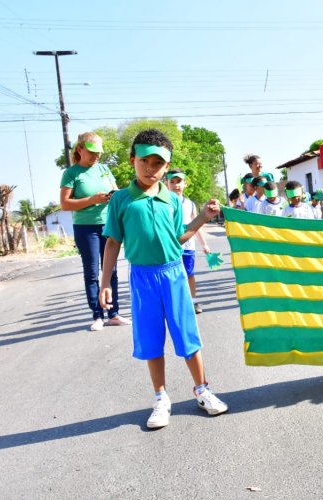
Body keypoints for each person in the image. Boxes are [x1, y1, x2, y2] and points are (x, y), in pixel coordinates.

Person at [99, 129, 228, 429]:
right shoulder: (120, 200)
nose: (150, 168)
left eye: (158, 163)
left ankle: (202, 390)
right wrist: (105, 282)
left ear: (167, 167)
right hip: (142, 277)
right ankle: (161, 398)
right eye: (144, 161)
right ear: (133, 160)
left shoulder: (171, 200)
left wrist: (202, 219)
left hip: (173, 274)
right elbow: (113, 243)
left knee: (187, 335)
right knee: (151, 339)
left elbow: (178, 237)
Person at [60, 132, 131, 332]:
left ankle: (114, 313)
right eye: (92, 152)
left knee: (112, 271)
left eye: (99, 153)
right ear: (80, 149)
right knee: (92, 272)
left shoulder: (105, 169)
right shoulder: (71, 173)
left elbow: (115, 190)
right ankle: (97, 315)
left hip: (108, 225)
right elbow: (65, 204)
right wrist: (93, 199)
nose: (96, 157)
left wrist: (115, 196)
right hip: (85, 228)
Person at [165, 168, 210, 315]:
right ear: (166, 184)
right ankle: (174, 303)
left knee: (189, 274)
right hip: (169, 247)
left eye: (179, 181)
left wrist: (204, 244)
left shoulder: (190, 204)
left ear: (185, 184)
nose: (176, 185)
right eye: (172, 182)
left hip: (188, 247)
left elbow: (197, 225)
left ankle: (193, 300)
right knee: (171, 275)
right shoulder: (163, 202)